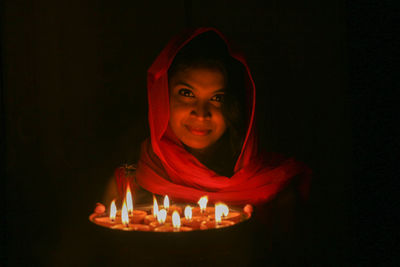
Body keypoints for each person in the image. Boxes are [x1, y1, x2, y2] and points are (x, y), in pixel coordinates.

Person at [103, 28, 311, 218]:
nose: (201, 114)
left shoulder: (274, 188)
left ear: (237, 106)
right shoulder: (129, 185)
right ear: (161, 98)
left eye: (217, 97)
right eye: (187, 93)